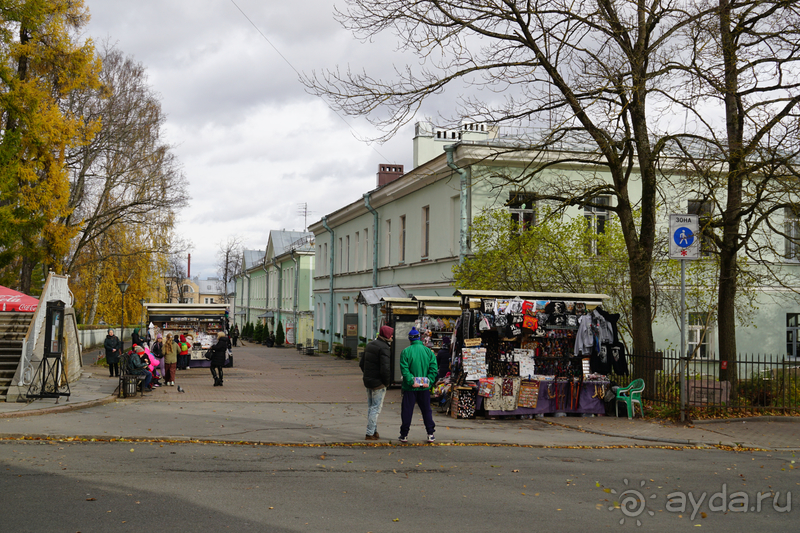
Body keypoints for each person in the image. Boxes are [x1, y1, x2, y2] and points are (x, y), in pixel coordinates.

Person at [398, 327, 438, 443]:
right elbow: (433, 369)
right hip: (424, 388)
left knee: (407, 411)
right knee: (426, 410)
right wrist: (428, 380)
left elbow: (404, 370)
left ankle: (404, 435)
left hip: (410, 388)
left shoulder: (405, 352)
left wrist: (412, 381)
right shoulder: (428, 352)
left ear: (410, 339)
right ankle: (430, 433)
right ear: (419, 338)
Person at [359, 325, 393, 440]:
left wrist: (368, 374)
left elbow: (361, 363)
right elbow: (385, 368)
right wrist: (387, 382)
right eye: (391, 334)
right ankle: (369, 433)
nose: (392, 336)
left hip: (368, 381)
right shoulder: (384, 348)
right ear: (387, 335)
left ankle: (373, 431)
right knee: (376, 409)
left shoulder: (370, 345)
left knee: (371, 407)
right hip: (378, 383)